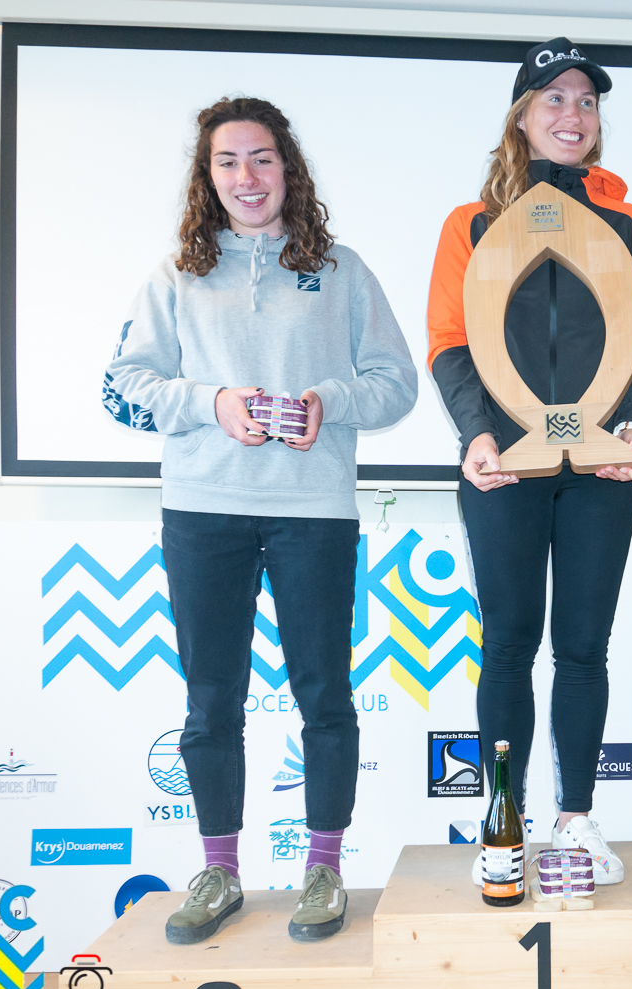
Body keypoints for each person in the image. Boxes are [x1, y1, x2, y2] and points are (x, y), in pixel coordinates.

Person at [103, 96, 418, 944]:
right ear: (207, 176)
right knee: (211, 702)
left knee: (325, 695)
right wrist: (212, 402)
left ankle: (324, 867)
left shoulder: (342, 271)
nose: (247, 176)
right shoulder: (176, 275)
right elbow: (125, 384)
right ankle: (220, 871)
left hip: (313, 511)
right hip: (203, 509)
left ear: (289, 168)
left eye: (262, 158)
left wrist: (328, 401)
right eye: (228, 161)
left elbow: (396, 382)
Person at [425, 38, 632, 886]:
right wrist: (477, 434)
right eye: (555, 98)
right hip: (506, 463)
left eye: (587, 100)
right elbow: (451, 341)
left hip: (601, 470)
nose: (573, 114)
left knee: (582, 647)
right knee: (507, 644)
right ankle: (502, 821)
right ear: (523, 117)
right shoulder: (471, 224)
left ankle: (575, 819)